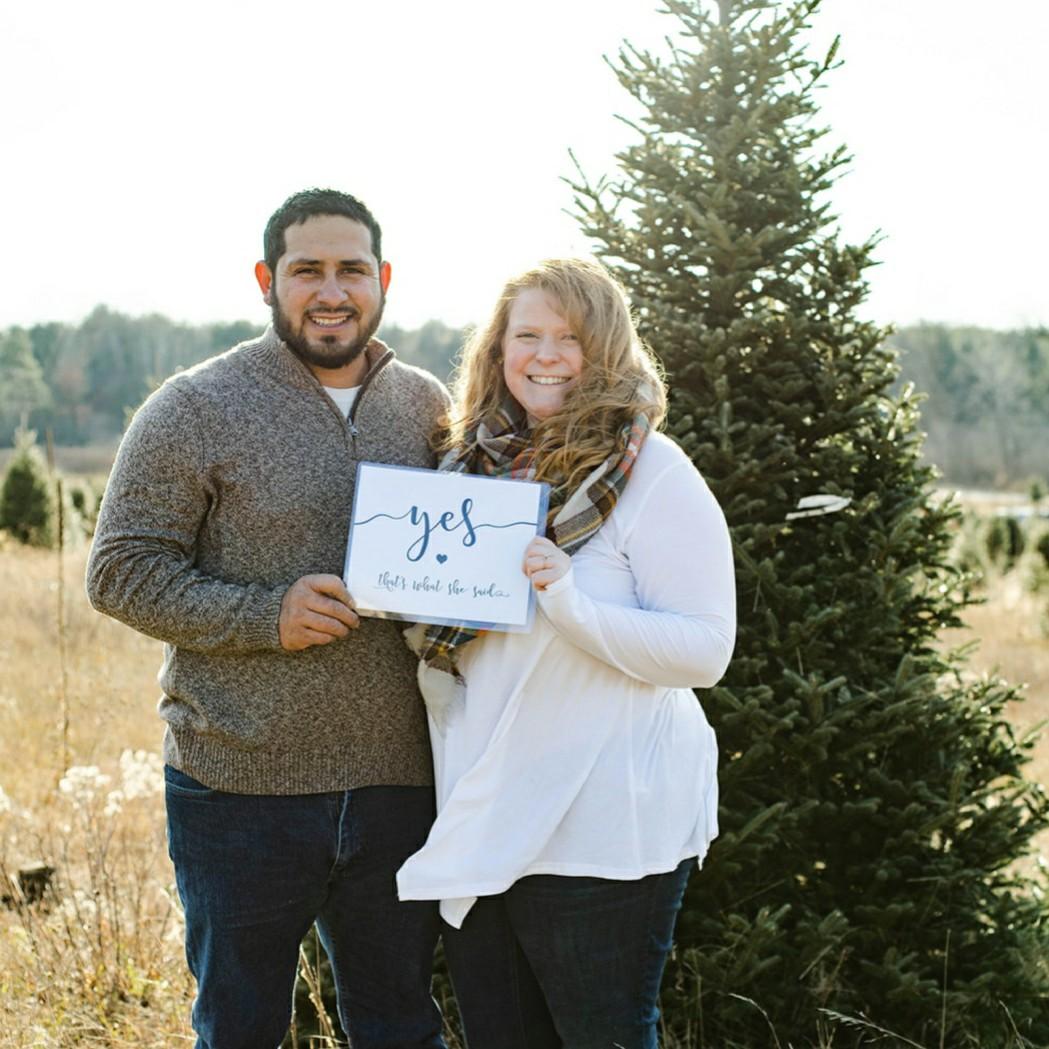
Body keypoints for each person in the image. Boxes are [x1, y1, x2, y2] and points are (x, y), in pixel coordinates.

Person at [86, 188, 449, 1049]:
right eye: (306, 270)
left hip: (401, 786)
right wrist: (264, 614)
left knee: (401, 1027)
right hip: (238, 789)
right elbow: (119, 571)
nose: (332, 291)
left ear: (384, 279)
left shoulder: (427, 405)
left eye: (351, 269)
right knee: (241, 1030)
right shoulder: (195, 405)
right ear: (266, 280)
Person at [396, 258, 736, 1049]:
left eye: (569, 338)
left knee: (600, 1036)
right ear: (498, 349)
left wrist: (569, 602)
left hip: (600, 827)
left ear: (605, 350)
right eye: (527, 336)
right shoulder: (464, 471)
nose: (545, 355)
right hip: (484, 814)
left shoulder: (650, 471)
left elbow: (705, 649)